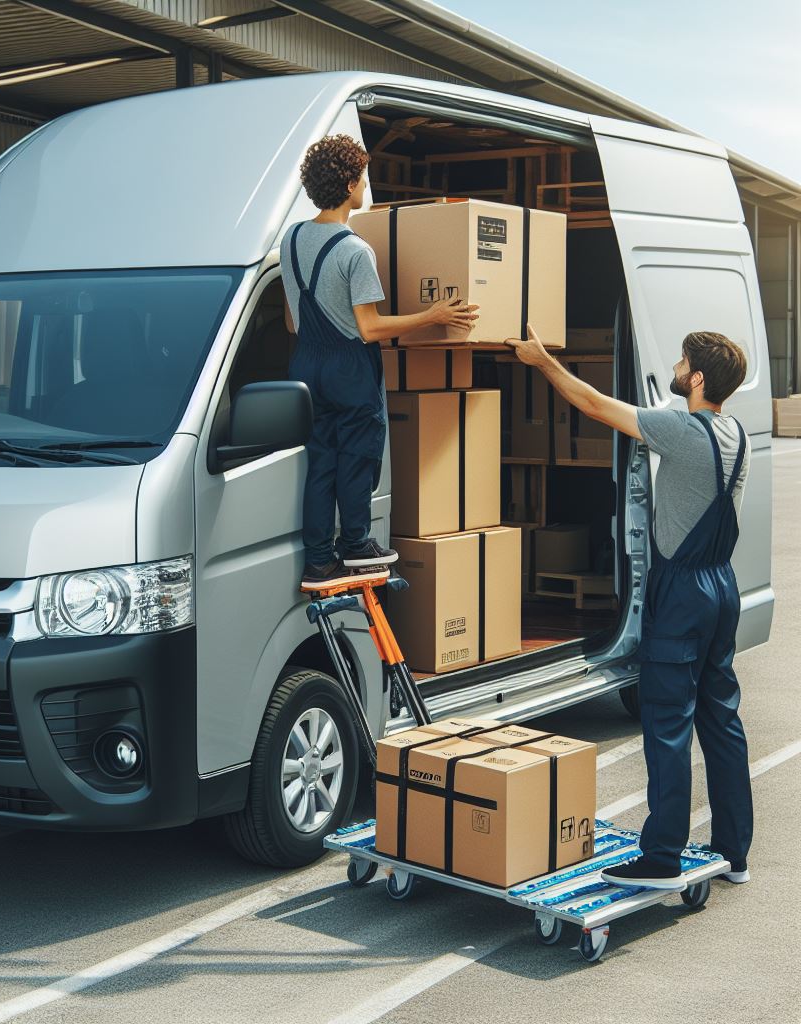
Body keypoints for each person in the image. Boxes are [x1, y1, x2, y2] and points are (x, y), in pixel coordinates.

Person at [505, 324, 753, 890]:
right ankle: (734, 853)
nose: (675, 364)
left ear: (694, 378)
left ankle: (662, 857)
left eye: (682, 360)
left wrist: (542, 361)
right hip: (721, 587)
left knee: (667, 724)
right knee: (722, 721)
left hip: (684, 593)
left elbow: (592, 403)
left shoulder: (681, 430)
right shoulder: (733, 431)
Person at [281, 134, 479, 591]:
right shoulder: (355, 250)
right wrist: (433, 315)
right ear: (349, 183)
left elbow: (292, 321)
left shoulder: (293, 240)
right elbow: (369, 329)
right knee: (358, 458)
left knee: (321, 464)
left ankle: (317, 561)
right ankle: (355, 543)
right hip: (350, 366)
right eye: (363, 178)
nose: (366, 186)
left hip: (306, 363)